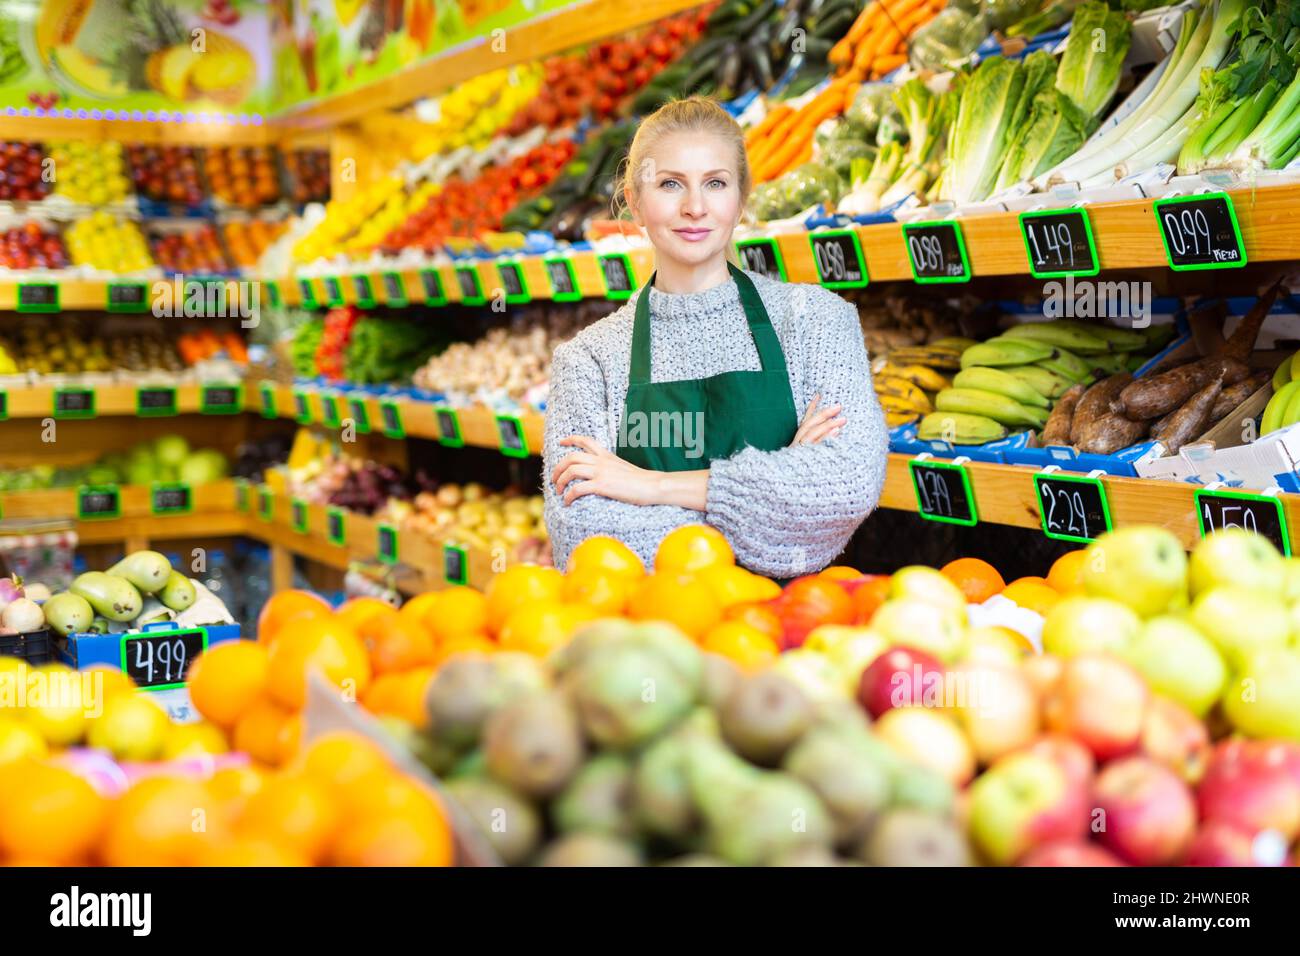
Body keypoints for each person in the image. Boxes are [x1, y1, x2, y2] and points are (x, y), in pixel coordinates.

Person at [543, 96, 888, 578]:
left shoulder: (817, 321)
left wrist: (650, 487)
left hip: (795, 631)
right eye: (669, 184)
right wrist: (782, 481)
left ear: (741, 199)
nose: (695, 207)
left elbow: (846, 486)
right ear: (635, 200)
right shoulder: (589, 361)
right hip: (652, 637)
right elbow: (584, 541)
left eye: (716, 183)